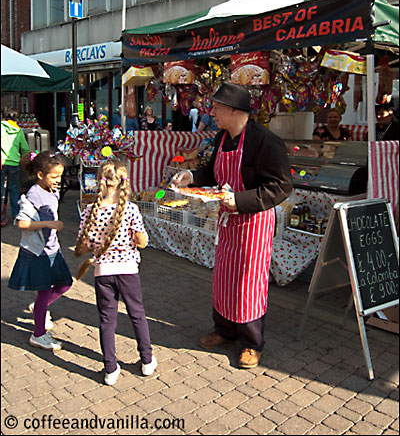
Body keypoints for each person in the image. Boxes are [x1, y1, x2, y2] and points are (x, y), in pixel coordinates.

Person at [173, 82, 292, 369]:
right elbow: (213, 171)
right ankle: (224, 330)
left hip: (253, 221)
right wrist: (192, 176)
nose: (211, 112)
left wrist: (239, 201)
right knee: (224, 277)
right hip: (228, 222)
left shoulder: (265, 142)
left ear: (234, 110)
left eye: (216, 107)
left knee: (249, 282)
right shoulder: (221, 138)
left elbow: (281, 187)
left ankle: (252, 342)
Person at [74, 159, 157, 384]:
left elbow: (81, 248)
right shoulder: (130, 209)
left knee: (106, 320)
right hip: (128, 270)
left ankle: (110, 368)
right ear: (124, 182)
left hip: (102, 272)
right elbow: (141, 242)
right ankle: (147, 360)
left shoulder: (90, 211)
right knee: (137, 314)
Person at [8, 151, 72, 351]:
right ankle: (38, 334)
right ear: (40, 175)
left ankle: (39, 309)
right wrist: (48, 223)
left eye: (60, 176)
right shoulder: (33, 194)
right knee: (44, 291)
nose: (58, 180)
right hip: (38, 252)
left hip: (53, 248)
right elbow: (21, 222)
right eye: (54, 177)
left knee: (65, 283)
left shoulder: (52, 191)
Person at [1, 108, 30, 226]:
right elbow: (25, 149)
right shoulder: (19, 131)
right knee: (14, 189)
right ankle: (16, 215)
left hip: (1, 162)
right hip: (14, 164)